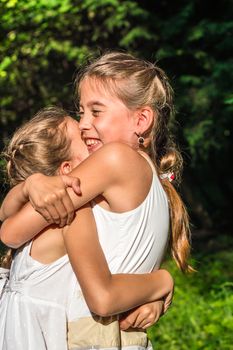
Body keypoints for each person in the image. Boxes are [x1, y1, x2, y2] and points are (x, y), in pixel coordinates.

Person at [1, 51, 192, 347]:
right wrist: (162, 283)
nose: (83, 124)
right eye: (81, 112)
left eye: (96, 111)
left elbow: (12, 232)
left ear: (141, 119)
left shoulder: (116, 158)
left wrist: (162, 283)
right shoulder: (151, 181)